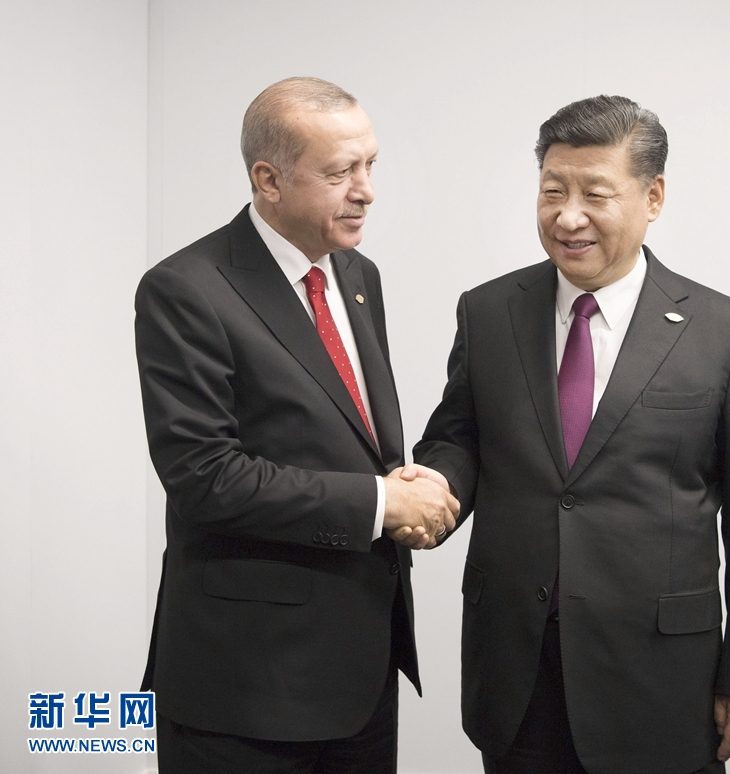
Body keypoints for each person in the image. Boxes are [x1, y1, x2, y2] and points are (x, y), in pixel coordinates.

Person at [400, 95, 730, 774]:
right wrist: (435, 486)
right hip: (517, 670)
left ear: (653, 197)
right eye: (552, 191)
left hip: (662, 678)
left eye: (594, 194)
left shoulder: (725, 332)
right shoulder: (489, 311)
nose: (567, 216)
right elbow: (459, 438)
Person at [134, 76, 457, 774]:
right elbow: (205, 478)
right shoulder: (185, 289)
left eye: (370, 164)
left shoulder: (357, 274)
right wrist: (381, 502)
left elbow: (346, 434)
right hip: (245, 687)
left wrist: (405, 487)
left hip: (362, 672)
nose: (366, 190)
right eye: (340, 172)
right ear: (268, 179)